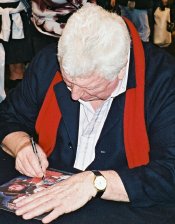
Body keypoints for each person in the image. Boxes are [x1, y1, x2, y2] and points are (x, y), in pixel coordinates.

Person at [0, 3, 175, 224]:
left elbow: (169, 172)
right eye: (68, 82)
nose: (74, 96)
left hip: (122, 200)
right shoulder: (48, 62)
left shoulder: (163, 80)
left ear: (121, 71)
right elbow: (8, 117)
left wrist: (95, 183)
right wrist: (22, 145)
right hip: (54, 186)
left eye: (90, 89)